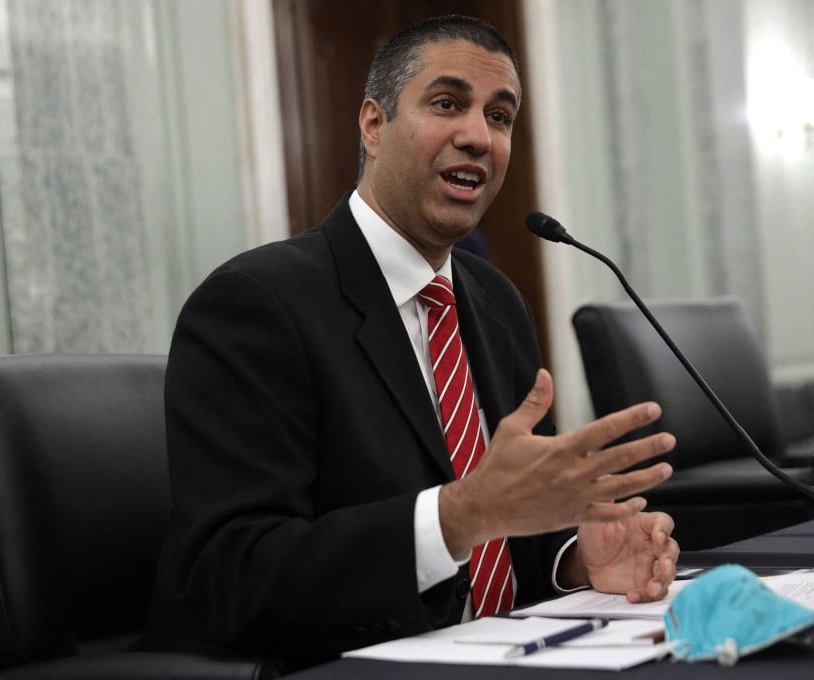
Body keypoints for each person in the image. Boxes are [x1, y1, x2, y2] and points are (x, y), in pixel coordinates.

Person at [144, 14, 679, 671]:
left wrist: (578, 559)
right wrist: (455, 519)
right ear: (373, 124)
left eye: (501, 116)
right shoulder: (256, 305)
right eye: (447, 103)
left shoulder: (494, 301)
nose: (478, 136)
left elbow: (513, 523)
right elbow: (233, 577)